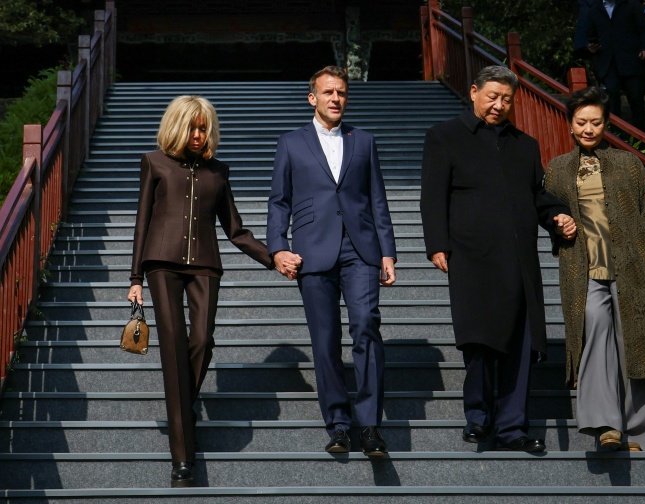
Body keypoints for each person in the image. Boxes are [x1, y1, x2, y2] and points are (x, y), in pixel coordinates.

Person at [127, 96, 292, 487]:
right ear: (177, 126)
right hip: (161, 263)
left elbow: (236, 230)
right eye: (193, 127)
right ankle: (182, 458)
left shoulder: (219, 171)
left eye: (204, 128)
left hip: (205, 265)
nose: (199, 135)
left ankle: (180, 410)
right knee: (173, 344)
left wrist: (273, 258)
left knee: (201, 340)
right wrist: (135, 277)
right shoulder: (154, 162)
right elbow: (142, 219)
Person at [420, 65, 576, 453]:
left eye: (507, 99)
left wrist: (557, 214)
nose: (499, 105)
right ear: (474, 92)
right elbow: (432, 196)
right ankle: (478, 417)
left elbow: (537, 194)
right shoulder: (444, 136)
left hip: (518, 260)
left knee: (520, 344)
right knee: (479, 340)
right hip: (470, 257)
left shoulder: (525, 145)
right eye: (492, 96)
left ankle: (512, 427)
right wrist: (437, 243)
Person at [544, 86, 645, 452]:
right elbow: (548, 214)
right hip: (583, 268)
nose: (588, 129)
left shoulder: (628, 163)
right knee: (594, 330)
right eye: (581, 122)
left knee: (635, 343)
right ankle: (605, 424)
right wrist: (558, 227)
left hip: (633, 266)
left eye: (596, 122)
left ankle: (637, 432)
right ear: (570, 124)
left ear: (606, 123)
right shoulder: (557, 168)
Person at [267, 65, 397, 457]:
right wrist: (277, 248)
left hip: (361, 250)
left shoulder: (364, 141)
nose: (335, 98)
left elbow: (378, 199)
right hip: (312, 250)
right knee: (325, 341)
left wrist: (387, 251)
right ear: (313, 98)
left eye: (341, 92)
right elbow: (279, 201)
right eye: (328, 92)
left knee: (366, 326)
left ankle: (370, 425)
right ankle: (339, 424)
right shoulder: (291, 143)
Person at [586, 0, 645, 130]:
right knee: (611, 100)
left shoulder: (632, 5)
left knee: (636, 99)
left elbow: (644, 29)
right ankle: (615, 137)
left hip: (632, 60)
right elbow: (590, 35)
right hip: (608, 62)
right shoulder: (594, 10)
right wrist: (591, 47)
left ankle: (640, 138)